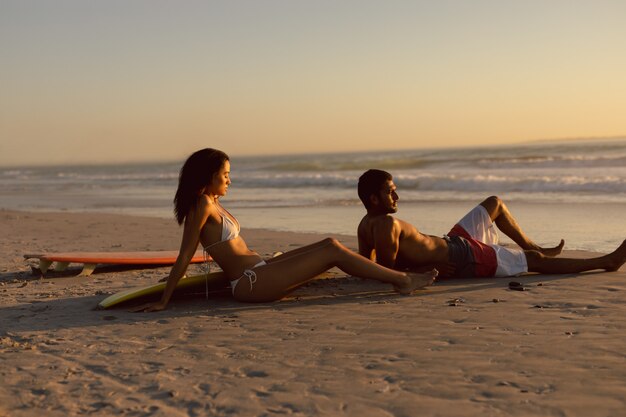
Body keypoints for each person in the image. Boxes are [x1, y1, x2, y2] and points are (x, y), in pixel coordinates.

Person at [133, 150, 437, 312]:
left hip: (261, 270)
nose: (229, 180)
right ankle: (403, 280)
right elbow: (186, 252)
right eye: (225, 175)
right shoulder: (201, 205)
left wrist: (180, 283)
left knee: (329, 243)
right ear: (208, 176)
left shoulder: (212, 202)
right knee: (331, 250)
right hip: (250, 283)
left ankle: (392, 276)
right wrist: (165, 299)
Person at [356, 169, 626, 279]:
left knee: (494, 203)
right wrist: (426, 269)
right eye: (390, 191)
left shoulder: (365, 224)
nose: (397, 195)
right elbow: (385, 272)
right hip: (464, 257)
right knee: (533, 261)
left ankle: (534, 245)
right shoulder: (386, 225)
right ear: (373, 198)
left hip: (452, 242)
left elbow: (364, 266)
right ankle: (606, 262)